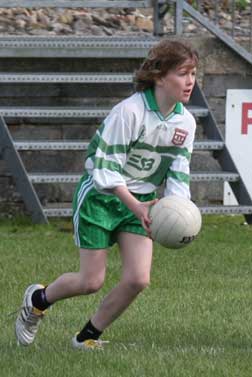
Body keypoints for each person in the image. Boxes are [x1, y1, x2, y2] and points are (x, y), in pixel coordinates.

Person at [15, 39, 199, 350]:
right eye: (183, 73)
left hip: (141, 203)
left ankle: (87, 337)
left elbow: (178, 171)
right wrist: (136, 205)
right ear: (159, 76)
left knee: (138, 279)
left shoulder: (186, 122)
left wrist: (179, 211)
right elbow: (105, 169)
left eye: (194, 73)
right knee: (91, 281)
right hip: (100, 197)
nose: (190, 81)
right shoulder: (129, 112)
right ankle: (37, 300)